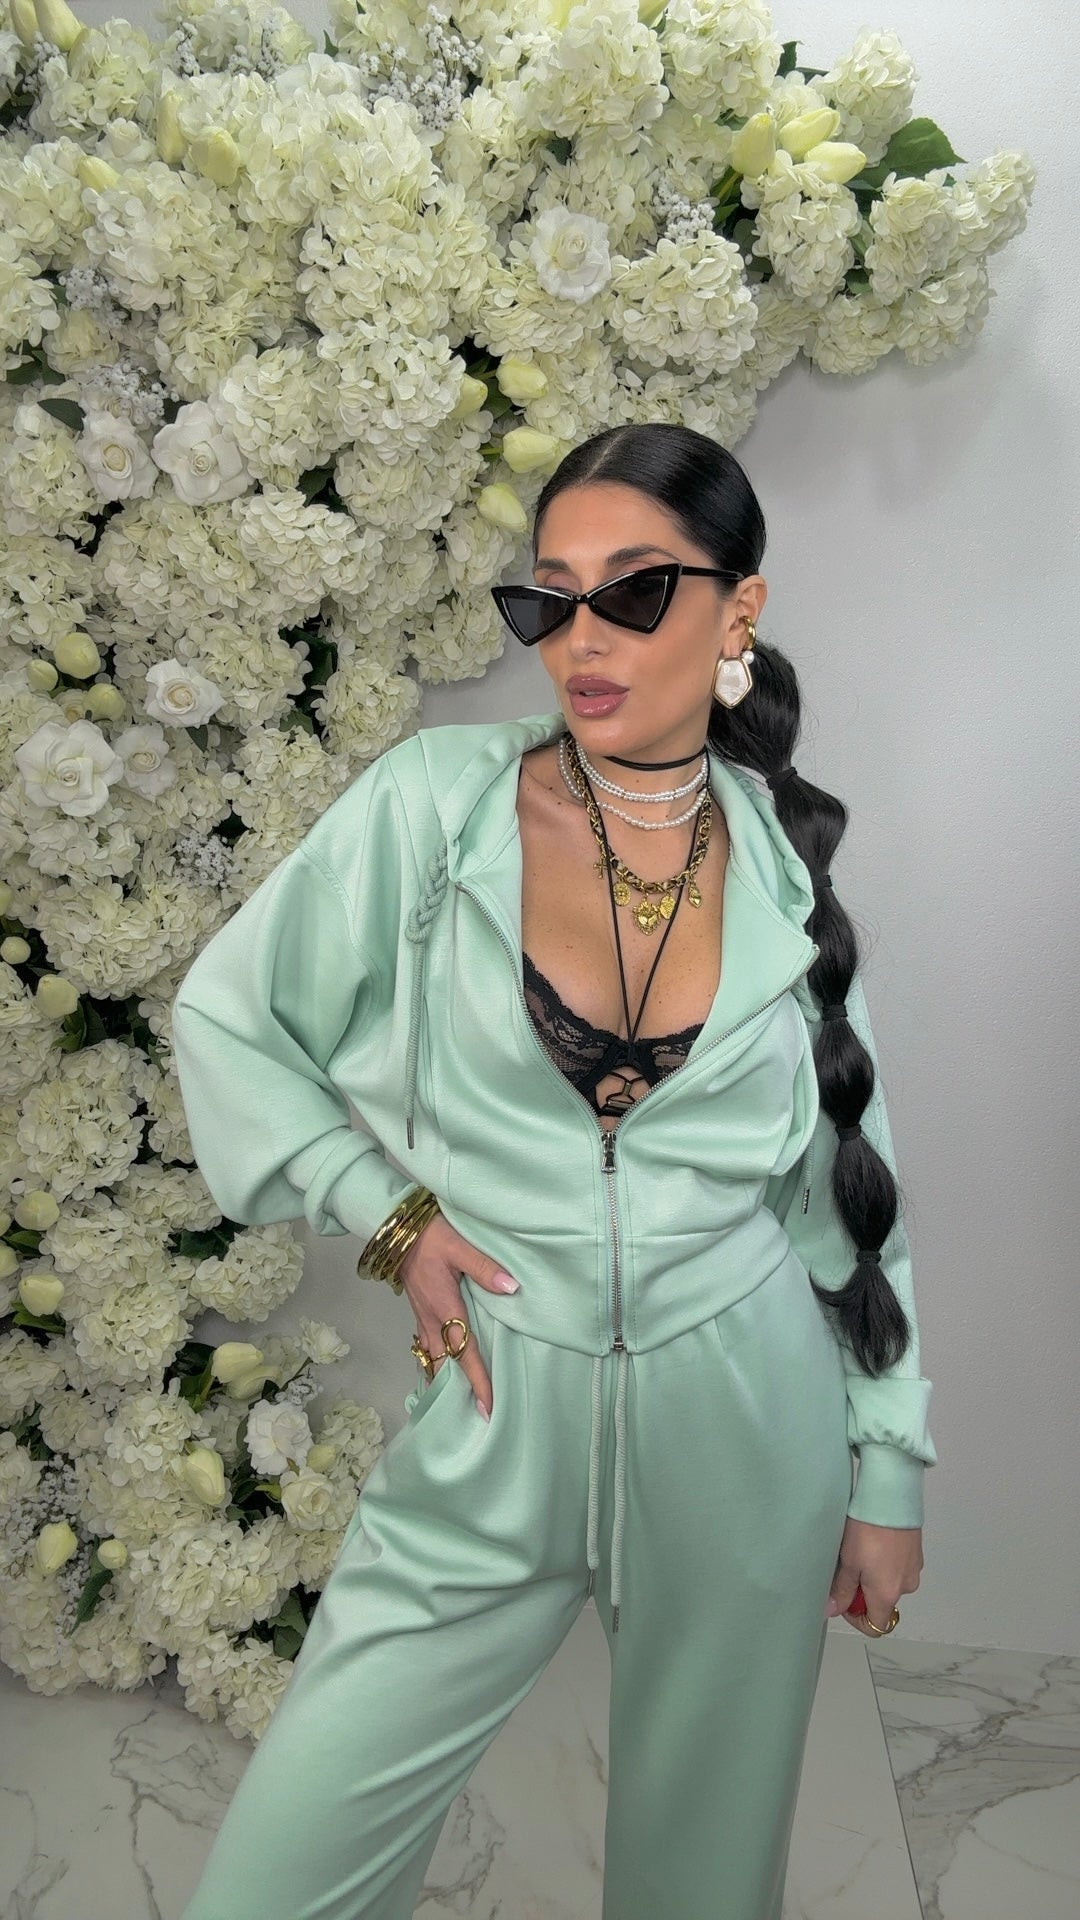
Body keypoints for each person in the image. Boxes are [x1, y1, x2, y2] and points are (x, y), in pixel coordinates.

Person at [172, 422, 935, 1920]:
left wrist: (888, 1470)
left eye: (634, 592)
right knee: (279, 1885)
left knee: (701, 1887)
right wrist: (391, 1217)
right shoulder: (434, 805)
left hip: (746, 1427)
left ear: (739, 610)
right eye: (548, 599)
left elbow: (849, 1190)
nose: (581, 640)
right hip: (493, 1413)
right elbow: (231, 1018)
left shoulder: (784, 861)